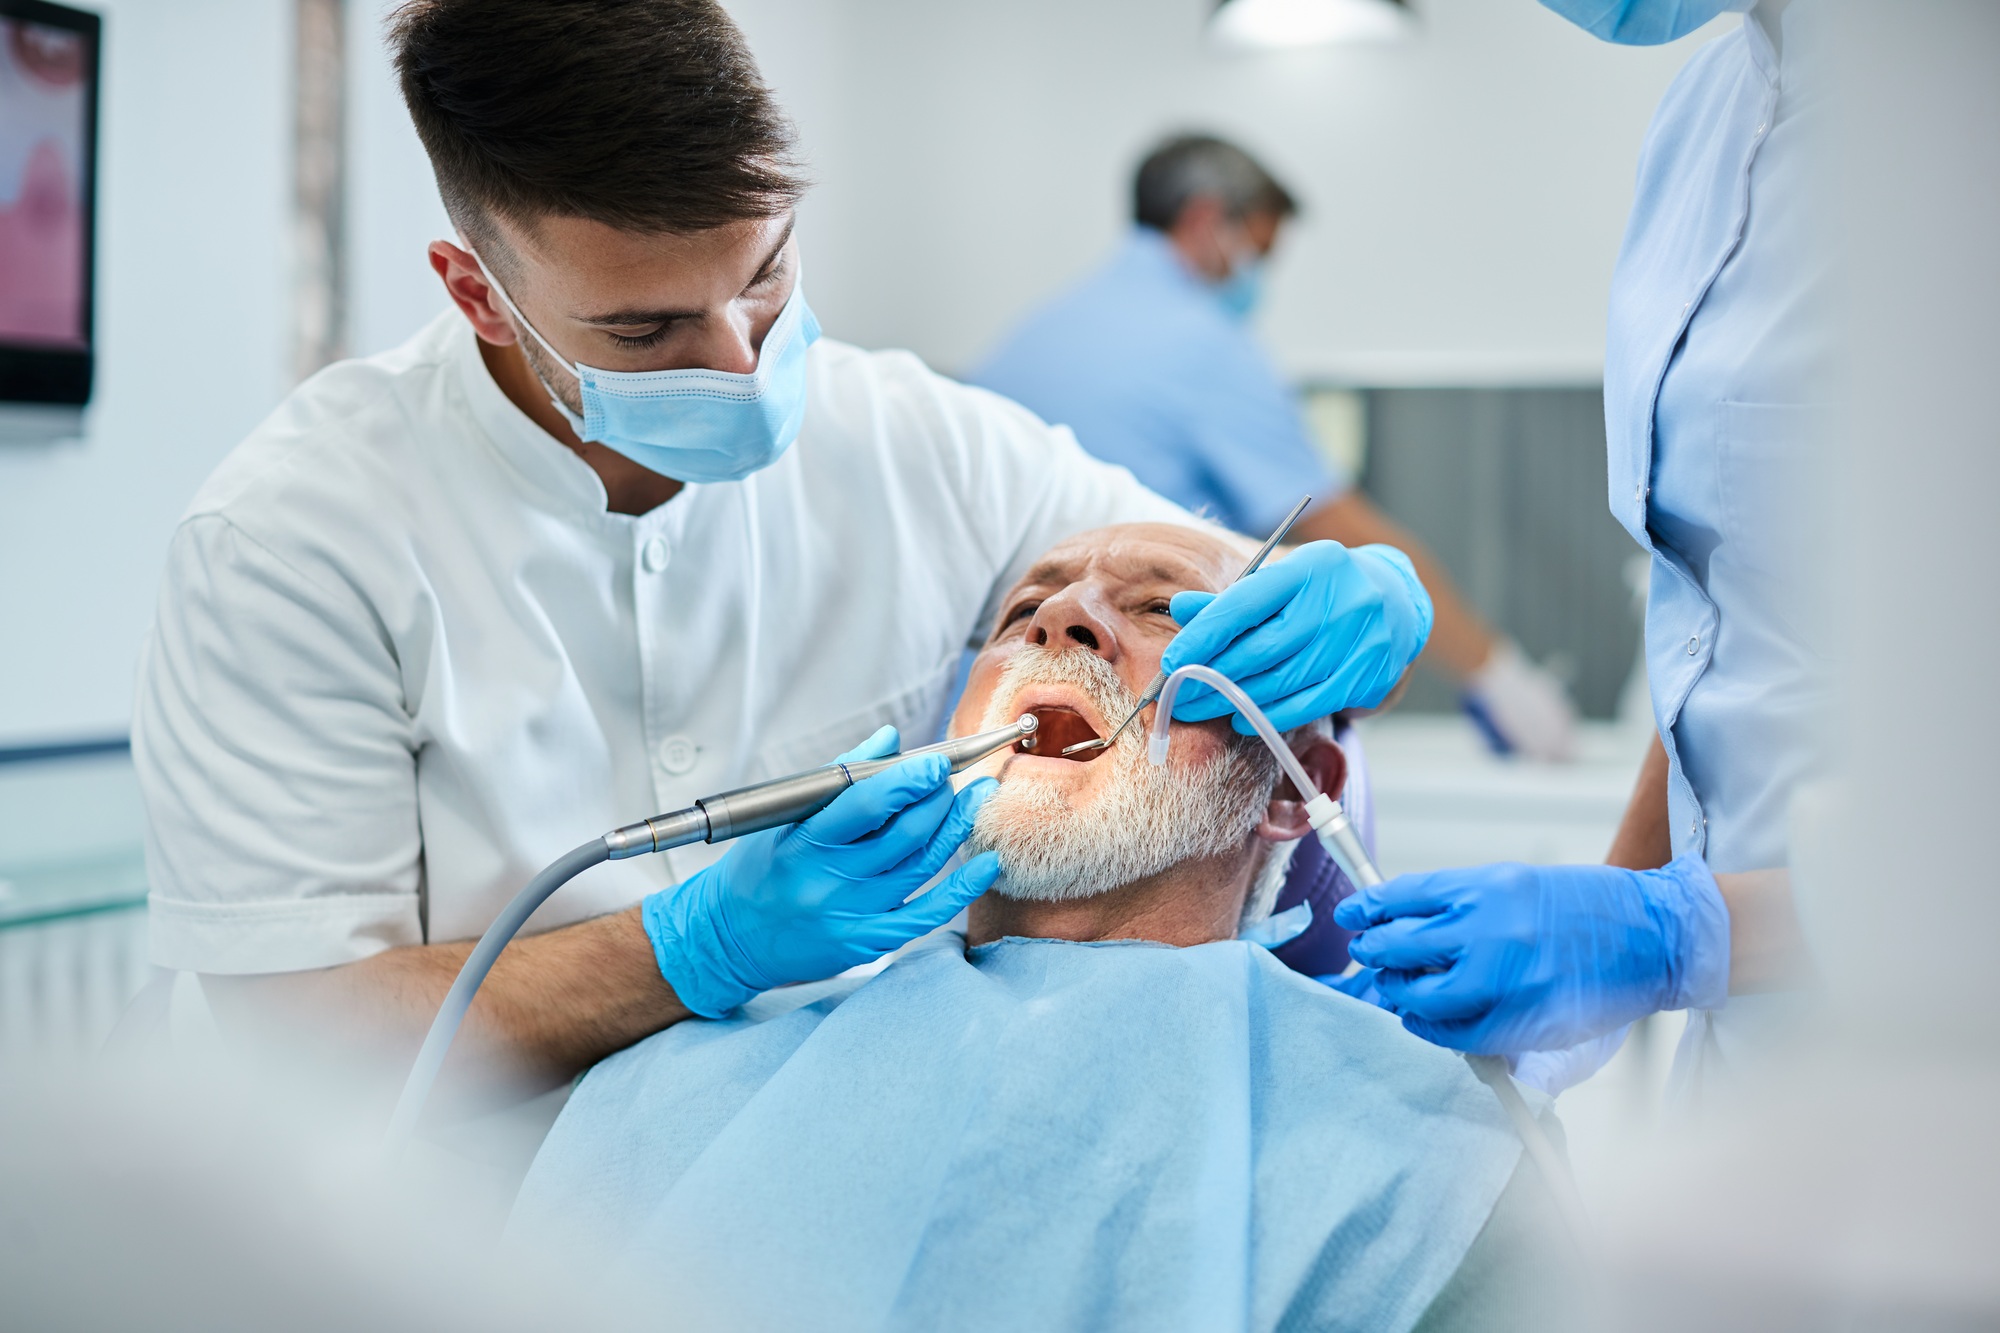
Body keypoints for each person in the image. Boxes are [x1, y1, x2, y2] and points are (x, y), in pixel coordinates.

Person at [130, 0, 1434, 1121]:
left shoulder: (924, 443)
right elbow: (300, 1046)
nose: (742, 364)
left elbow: (1180, 576)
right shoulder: (291, 546)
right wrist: (697, 947)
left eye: (763, 281)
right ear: (479, 292)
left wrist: (1357, 595)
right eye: (646, 330)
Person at [511, 523, 1570, 1333]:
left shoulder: (1416, 1159)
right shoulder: (679, 1083)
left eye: (1162, 610)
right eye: (1025, 609)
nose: (1059, 624)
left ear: (1297, 788)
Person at [1334, 0, 1824, 1097]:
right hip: (1750, 1062)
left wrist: (1669, 933)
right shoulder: (1705, 119)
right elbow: (1728, 610)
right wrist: (1618, 924)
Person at [973, 134, 1579, 760]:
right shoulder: (1201, 343)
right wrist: (1498, 676)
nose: (1257, 276)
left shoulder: (1033, 335)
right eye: (1258, 250)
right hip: (1132, 713)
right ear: (1207, 220)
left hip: (1000, 698)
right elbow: (1339, 524)